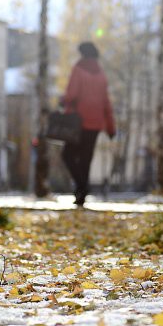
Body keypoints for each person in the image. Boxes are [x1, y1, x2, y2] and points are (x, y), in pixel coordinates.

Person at [60, 41, 116, 207]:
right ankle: (81, 193)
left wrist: (63, 101)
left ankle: (82, 187)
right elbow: (106, 103)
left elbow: (71, 94)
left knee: (67, 155)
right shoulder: (101, 75)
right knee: (86, 159)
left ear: (82, 53)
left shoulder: (78, 69)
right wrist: (111, 127)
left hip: (78, 122)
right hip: (95, 124)